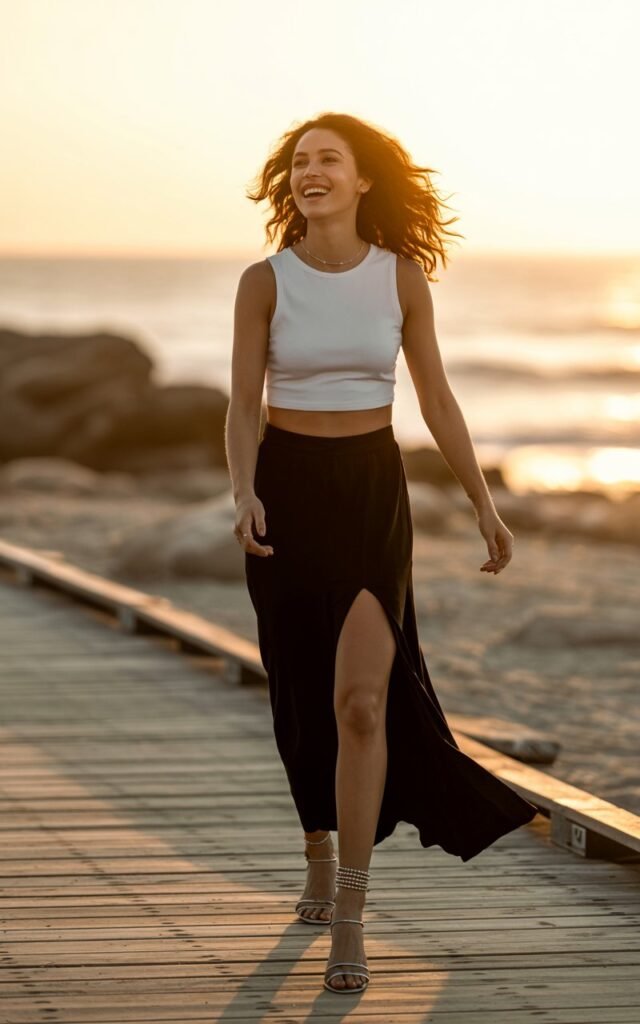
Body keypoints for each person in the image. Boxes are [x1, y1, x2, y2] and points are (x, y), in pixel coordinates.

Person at [225, 111, 538, 995]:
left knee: (362, 702)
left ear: (364, 181)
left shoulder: (401, 280)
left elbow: (435, 398)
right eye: (298, 163)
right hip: (285, 487)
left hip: (370, 487)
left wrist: (485, 505)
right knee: (298, 691)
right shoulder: (263, 282)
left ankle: (352, 915)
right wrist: (242, 487)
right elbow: (243, 403)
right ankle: (317, 847)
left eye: (328, 160)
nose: (309, 172)